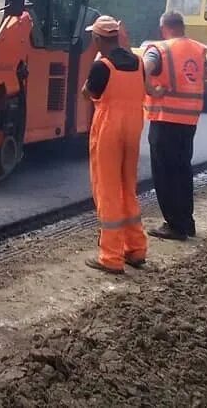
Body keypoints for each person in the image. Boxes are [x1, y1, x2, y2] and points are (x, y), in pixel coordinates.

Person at [81, 15, 148, 274]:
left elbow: (88, 94)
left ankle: (110, 256)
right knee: (127, 187)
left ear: (98, 39)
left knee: (107, 189)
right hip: (134, 127)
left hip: (109, 128)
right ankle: (136, 249)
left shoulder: (102, 67)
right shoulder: (138, 62)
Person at [143, 10, 207, 241]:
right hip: (189, 120)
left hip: (164, 120)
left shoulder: (160, 49)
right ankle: (186, 221)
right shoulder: (198, 49)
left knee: (164, 174)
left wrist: (152, 90)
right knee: (182, 171)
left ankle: (174, 225)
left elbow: (143, 68)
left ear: (164, 28)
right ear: (182, 27)